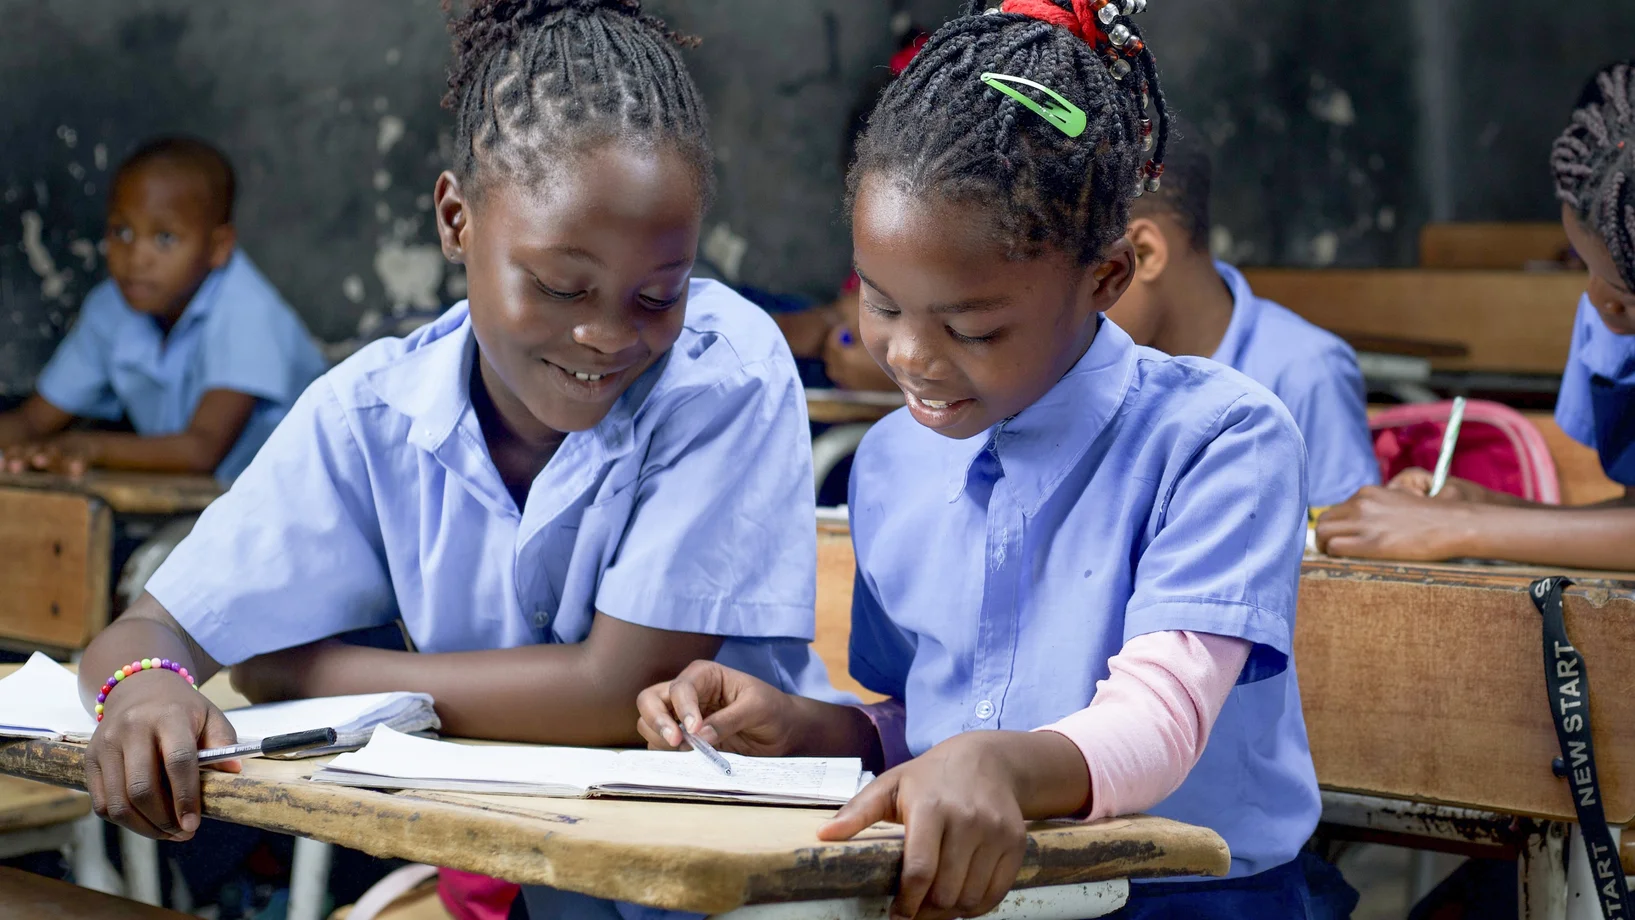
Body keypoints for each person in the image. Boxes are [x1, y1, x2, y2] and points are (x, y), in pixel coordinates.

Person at [76, 3, 839, 919]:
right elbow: (148, 630)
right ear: (455, 219)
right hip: (534, 868)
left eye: (656, 295)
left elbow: (615, 691)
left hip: (760, 881)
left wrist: (305, 674)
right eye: (560, 285)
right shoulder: (373, 413)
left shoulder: (723, 371)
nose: (605, 334)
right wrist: (144, 691)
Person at [639, 2, 1325, 916]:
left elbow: (1160, 723)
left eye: (970, 327)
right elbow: (928, 729)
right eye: (880, 305)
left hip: (1187, 897)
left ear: (1108, 280)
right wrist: (809, 727)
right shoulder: (891, 462)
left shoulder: (1219, 441)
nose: (911, 358)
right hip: (977, 893)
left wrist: (991, 767)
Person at [1317, 62, 1635, 570]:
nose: (1599, 300)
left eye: (1624, 287)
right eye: (1583, 265)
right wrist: (1483, 507)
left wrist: (1458, 527)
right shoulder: (1612, 324)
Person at [0, 137, 326, 483]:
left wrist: (88, 448)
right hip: (197, 506)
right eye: (121, 232)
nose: (137, 258)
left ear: (219, 247)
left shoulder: (247, 311)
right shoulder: (111, 307)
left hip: (288, 507)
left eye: (165, 238)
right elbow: (33, 422)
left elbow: (202, 450)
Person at [1106, 140, 1378, 509]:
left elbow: (1347, 544)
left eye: (1091, 274)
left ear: (1145, 253)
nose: (1072, 306)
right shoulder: (1095, 375)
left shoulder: (1306, 372)